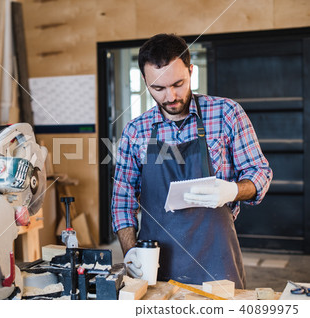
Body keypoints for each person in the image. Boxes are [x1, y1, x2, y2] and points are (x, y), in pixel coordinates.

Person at [111, 33, 272, 289]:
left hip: (216, 260)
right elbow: (122, 202)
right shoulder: (136, 131)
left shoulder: (227, 114)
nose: (170, 96)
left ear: (191, 71)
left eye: (178, 83)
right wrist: (133, 255)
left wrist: (232, 190)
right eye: (158, 88)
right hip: (156, 263)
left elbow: (259, 173)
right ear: (145, 81)